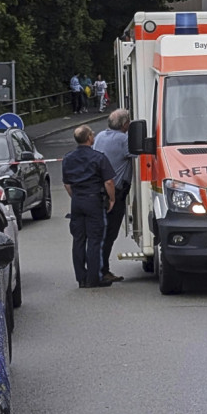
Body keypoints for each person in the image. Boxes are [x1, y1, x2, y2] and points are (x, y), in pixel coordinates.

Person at [63, 125, 115, 288]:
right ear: (89, 138)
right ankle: (94, 278)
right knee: (94, 240)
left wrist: (76, 197)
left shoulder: (68, 158)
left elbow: (67, 183)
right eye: (92, 134)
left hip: (77, 201)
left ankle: (81, 278)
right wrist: (112, 199)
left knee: (78, 239)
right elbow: (108, 181)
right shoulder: (98, 157)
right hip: (93, 201)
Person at [93, 109, 134, 283]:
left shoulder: (101, 136)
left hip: (98, 190)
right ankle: (102, 271)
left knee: (100, 232)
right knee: (109, 233)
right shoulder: (124, 140)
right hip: (114, 193)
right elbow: (139, 153)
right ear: (125, 124)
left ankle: (97, 269)